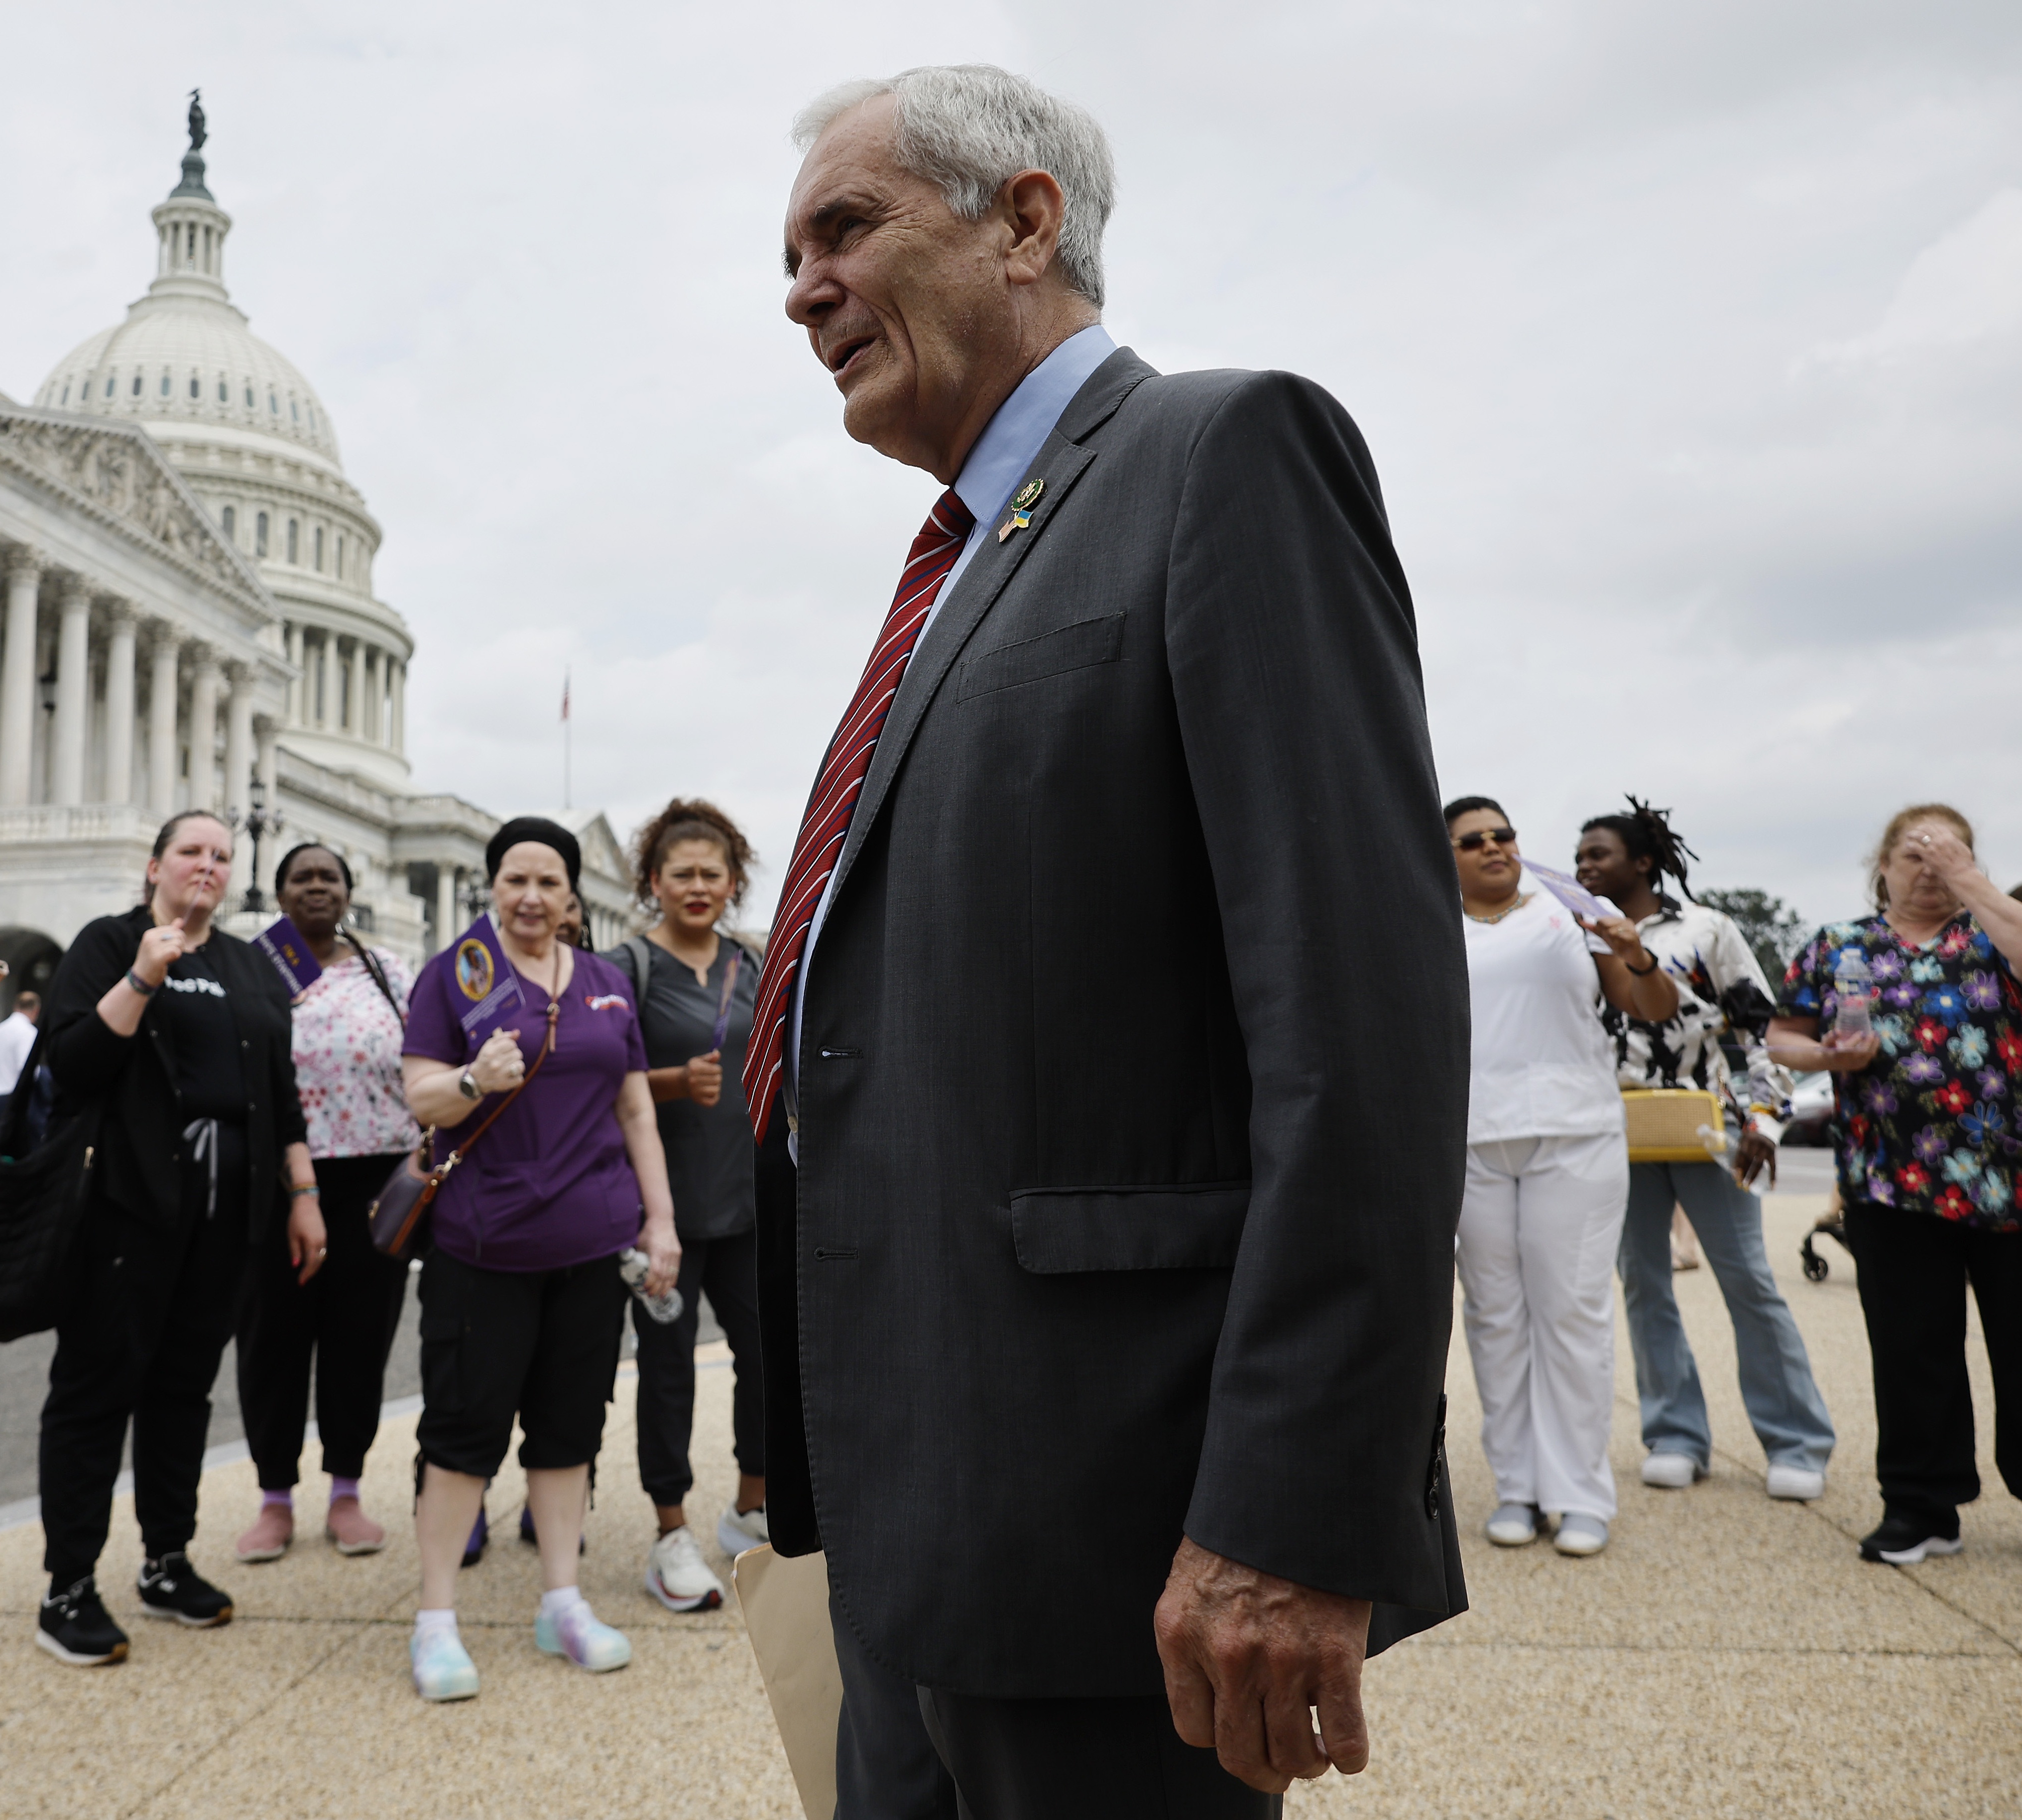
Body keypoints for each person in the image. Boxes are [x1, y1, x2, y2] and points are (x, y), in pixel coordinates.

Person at [752, 65, 1470, 1812]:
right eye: (787, 255)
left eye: (843, 229)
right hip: (912, 1518)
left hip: (1120, 1539)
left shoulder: (1220, 454)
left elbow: (1358, 1029)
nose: (798, 291)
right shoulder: (957, 566)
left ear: (1023, 219)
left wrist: (1289, 1513)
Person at [397, 816, 680, 1704]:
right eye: (515, 880)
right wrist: (475, 1078)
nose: (531, 897)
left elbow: (635, 1111)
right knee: (462, 1435)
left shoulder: (603, 985)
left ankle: (562, 1600)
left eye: (548, 883)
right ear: (492, 889)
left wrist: (659, 1221)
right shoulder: (454, 978)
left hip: (591, 1248)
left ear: (571, 898)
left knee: (568, 1433)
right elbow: (421, 1096)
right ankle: (435, 1619)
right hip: (484, 1247)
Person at [32, 810, 324, 1666]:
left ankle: (166, 1560)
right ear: (155, 864)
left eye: (222, 856)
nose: (207, 866)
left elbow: (280, 1089)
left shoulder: (243, 962)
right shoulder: (110, 943)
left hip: (228, 1218)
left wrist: (301, 1194)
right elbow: (70, 1066)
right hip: (127, 1209)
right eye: (191, 852)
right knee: (95, 1394)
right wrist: (141, 977)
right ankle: (69, 1586)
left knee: (183, 1393)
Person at [1768, 805, 2022, 1565]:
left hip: (2007, 1181)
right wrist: (1826, 1060)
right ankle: (1921, 1507)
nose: (1930, 867)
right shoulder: (1839, 944)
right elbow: (1784, 1034)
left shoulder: (1993, 929)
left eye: (1948, 852)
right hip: (1889, 1182)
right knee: (1912, 1352)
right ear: (1880, 865)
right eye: (1914, 853)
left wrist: (1969, 879)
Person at [1571, 801, 1835, 1504]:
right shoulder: (1575, 937)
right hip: (1616, 1133)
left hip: (1709, 1127)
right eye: (1579, 856)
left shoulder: (1706, 928)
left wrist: (1765, 1119)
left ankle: (1796, 1440)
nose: (1584, 866)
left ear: (1644, 862)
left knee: (1747, 1280)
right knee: (1645, 1286)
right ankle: (1674, 1435)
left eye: (1598, 854)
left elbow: (1758, 1028)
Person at [1449, 797, 1677, 1560]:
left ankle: (1580, 1496)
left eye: (1503, 833)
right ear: (1444, 854)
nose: (1493, 847)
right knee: (1495, 1319)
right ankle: (1518, 1488)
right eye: (1472, 840)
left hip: (1573, 1136)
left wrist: (1633, 950)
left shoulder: (1566, 906)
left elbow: (1649, 1004)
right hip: (1470, 1141)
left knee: (1570, 1317)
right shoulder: (1425, 919)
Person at [603, 799, 768, 1614]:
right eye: (681, 874)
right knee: (666, 1374)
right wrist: (672, 1083)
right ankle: (670, 1533)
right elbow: (598, 1081)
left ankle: (749, 1508)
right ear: (653, 882)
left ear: (732, 883)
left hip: (746, 1203)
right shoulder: (625, 969)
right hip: (659, 1210)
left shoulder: (756, 967)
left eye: (712, 874)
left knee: (768, 1358)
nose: (697, 886)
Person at [233, 845, 417, 1564]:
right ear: (279, 892)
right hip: (277, 1179)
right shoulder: (254, 969)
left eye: (329, 878)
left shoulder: (385, 970)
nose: (316, 887)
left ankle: (347, 1488)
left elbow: (420, 1057)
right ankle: (274, 1497)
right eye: (301, 877)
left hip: (375, 1178)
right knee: (271, 1340)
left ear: (348, 892)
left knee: (359, 1338)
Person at [0, 990, 40, 1130]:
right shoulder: (28, 1031)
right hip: (14, 1098)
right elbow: (27, 1068)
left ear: (16, 1007)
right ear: (36, 1010)